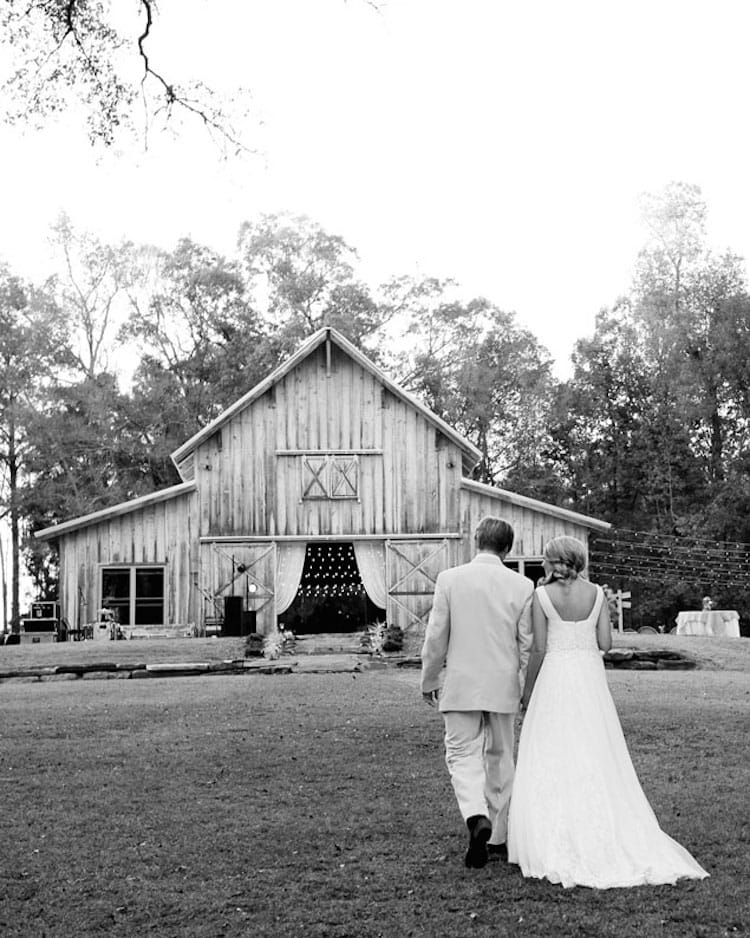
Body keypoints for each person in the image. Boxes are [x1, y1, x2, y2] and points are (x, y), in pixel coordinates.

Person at [507, 536, 709, 888]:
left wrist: (527, 691)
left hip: (555, 675)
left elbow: (538, 647)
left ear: (553, 562)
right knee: (594, 747)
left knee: (552, 750)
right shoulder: (598, 594)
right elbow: (606, 644)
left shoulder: (540, 596)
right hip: (587, 677)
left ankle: (555, 829)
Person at [420, 517, 534, 869]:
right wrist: (525, 685)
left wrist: (429, 679)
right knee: (501, 756)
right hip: (503, 683)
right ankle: (497, 834)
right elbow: (526, 643)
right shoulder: (522, 585)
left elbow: (436, 636)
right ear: (508, 548)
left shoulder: (450, 580)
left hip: (462, 683)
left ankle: (475, 817)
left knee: (460, 754)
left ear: (476, 540)